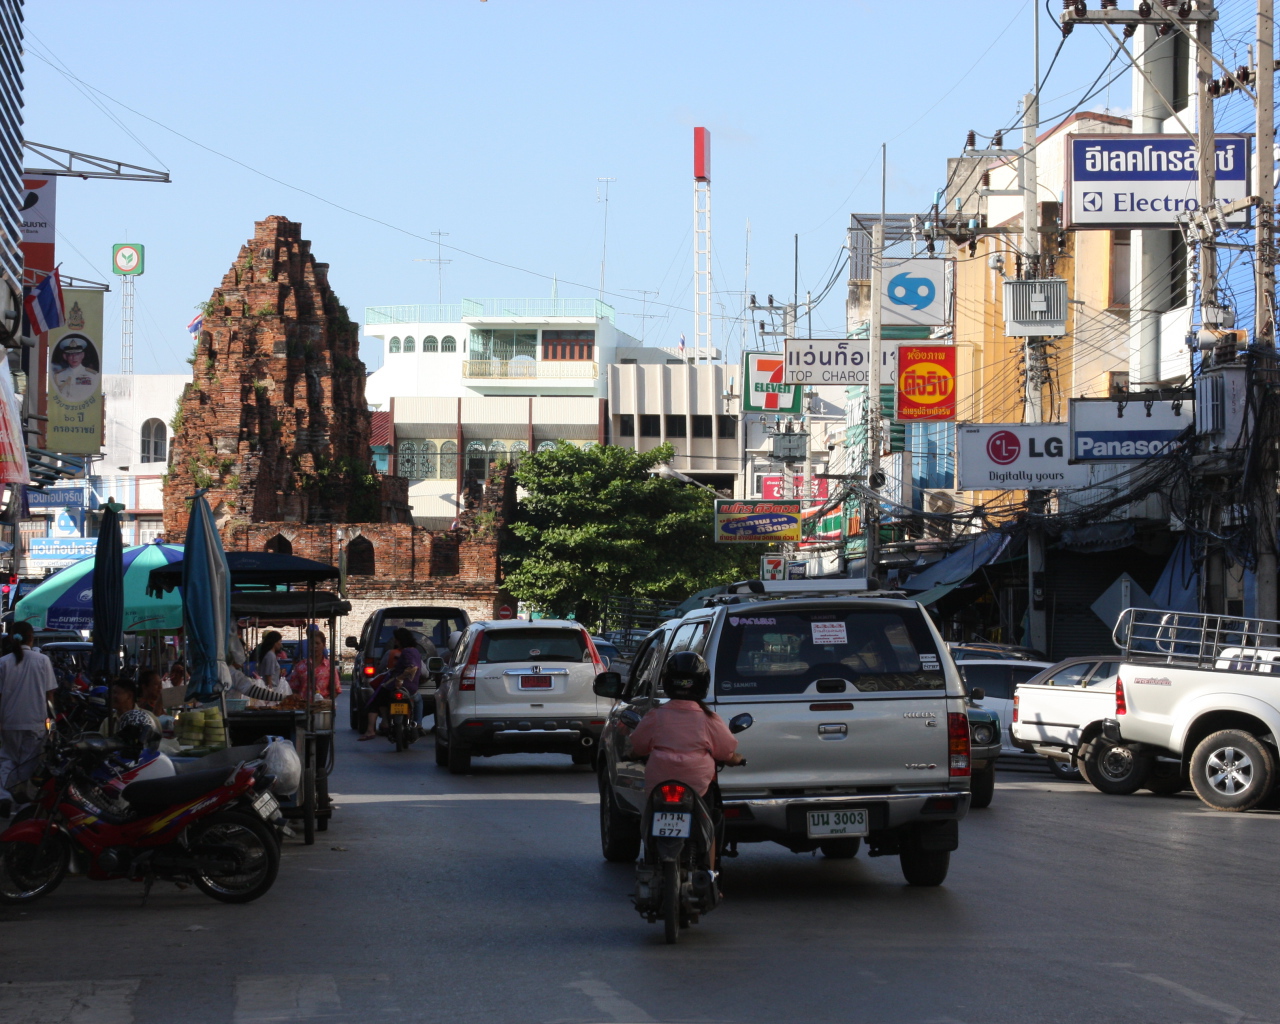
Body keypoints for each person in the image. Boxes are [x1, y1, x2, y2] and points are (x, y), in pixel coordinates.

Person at [627, 651, 744, 799]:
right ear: (704, 683)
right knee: (711, 808)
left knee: (649, 813)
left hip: (658, 782)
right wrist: (736, 759)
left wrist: (631, 755)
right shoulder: (708, 718)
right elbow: (725, 750)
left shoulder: (656, 715)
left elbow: (639, 745)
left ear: (667, 681)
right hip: (697, 784)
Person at [0, 622, 58, 816]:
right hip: (35, 720)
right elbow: (50, 695)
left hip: (9, 720)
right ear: (32, 638)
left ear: (11, 637)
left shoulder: (4, 662)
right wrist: (51, 723)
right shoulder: (42, 661)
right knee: (28, 763)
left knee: (8, 759)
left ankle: (5, 797)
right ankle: (24, 803)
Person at [360, 627, 425, 740]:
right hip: (412, 687)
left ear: (400, 640)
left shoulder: (406, 651)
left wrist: (399, 678)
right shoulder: (415, 651)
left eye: (396, 639)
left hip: (400, 685)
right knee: (418, 699)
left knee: (375, 701)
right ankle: (417, 723)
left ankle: (371, 730)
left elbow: (412, 667)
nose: (395, 642)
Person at [288, 630, 338, 698]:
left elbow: (335, 690)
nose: (314, 646)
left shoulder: (330, 667)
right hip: (304, 706)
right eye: (312, 643)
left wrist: (326, 701)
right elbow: (293, 688)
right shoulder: (300, 666)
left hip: (323, 707)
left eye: (317, 643)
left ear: (323, 645)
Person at [51, 335, 100, 403]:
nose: (74, 358)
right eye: (71, 354)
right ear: (65, 356)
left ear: (82, 355)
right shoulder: (58, 375)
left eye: (77, 354)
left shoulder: (92, 375)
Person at [252, 631, 289, 695]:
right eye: (280, 642)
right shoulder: (270, 655)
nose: (281, 644)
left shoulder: (269, 654)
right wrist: (270, 690)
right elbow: (268, 674)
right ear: (274, 643)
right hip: (271, 688)